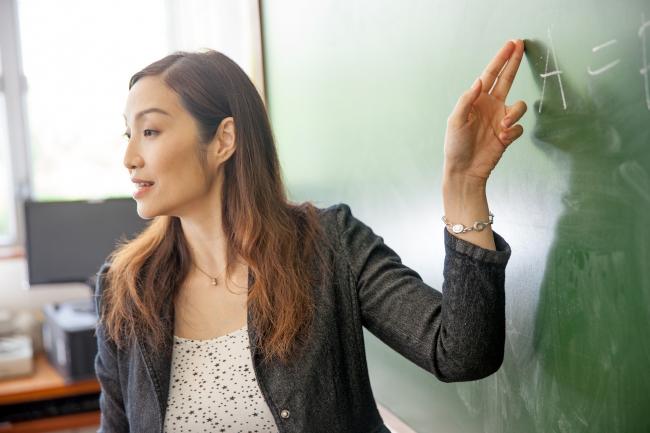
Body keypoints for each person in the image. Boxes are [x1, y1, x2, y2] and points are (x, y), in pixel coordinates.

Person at [94, 39, 526, 433]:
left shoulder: (329, 245)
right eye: (129, 134)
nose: (130, 158)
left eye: (150, 131)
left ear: (224, 139)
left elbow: (463, 353)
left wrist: (464, 184)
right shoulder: (123, 288)